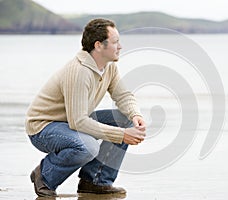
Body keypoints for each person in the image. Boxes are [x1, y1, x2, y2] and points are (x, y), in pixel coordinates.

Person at [25, 18, 146, 197]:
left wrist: (135, 115)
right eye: (115, 42)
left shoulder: (108, 67)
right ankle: (44, 176)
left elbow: (123, 96)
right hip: (43, 128)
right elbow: (79, 122)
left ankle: (95, 181)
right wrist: (122, 135)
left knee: (126, 120)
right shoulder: (79, 71)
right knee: (88, 147)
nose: (120, 46)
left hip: (70, 123)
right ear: (98, 45)